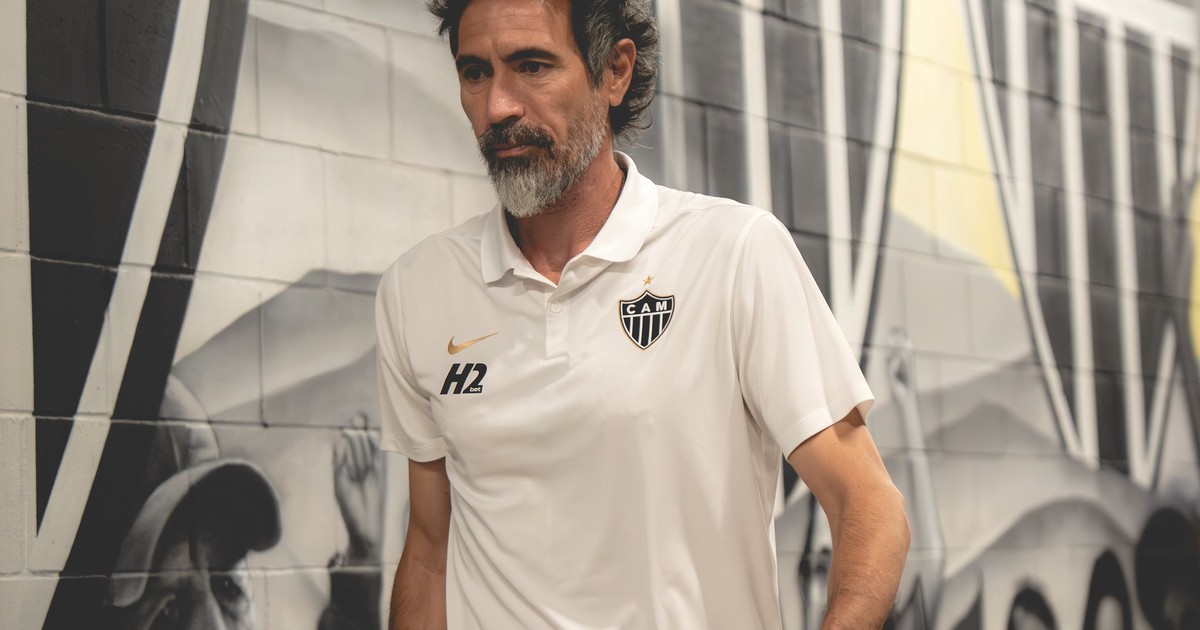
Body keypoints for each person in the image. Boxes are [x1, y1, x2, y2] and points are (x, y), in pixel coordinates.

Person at [375, 0, 911, 627]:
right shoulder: (418, 289)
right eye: (475, 72)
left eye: (532, 66)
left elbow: (866, 503)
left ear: (614, 71)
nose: (498, 106)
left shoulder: (733, 252)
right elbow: (430, 554)